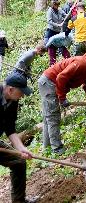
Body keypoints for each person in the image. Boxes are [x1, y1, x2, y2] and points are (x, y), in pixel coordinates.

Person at [38, 47, 86, 154]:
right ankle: (56, 148)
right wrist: (62, 98)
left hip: (53, 82)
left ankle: (47, 147)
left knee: (48, 117)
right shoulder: (82, 63)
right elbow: (61, 77)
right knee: (53, 116)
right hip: (49, 82)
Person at [0, 72, 38, 203]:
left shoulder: (13, 101)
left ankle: (19, 201)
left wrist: (22, 149)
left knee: (18, 162)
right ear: (10, 90)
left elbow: (10, 129)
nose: (22, 96)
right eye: (21, 92)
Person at [45, 0, 69, 65]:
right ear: (53, 5)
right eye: (56, 5)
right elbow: (49, 21)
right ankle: (52, 64)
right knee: (51, 48)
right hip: (51, 31)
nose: (57, 6)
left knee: (61, 45)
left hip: (58, 32)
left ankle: (68, 59)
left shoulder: (60, 10)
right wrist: (58, 25)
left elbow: (65, 15)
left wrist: (69, 15)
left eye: (58, 5)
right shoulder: (50, 11)